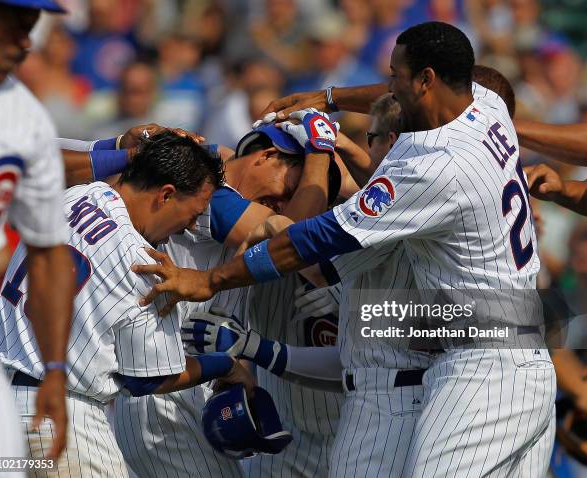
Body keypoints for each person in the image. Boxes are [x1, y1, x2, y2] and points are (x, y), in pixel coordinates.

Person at [134, 22, 556, 477]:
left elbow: (304, 238)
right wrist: (330, 100)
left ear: (427, 80)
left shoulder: (435, 167)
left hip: (474, 369)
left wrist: (211, 281)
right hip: (499, 357)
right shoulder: (487, 108)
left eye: (397, 76)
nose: (390, 86)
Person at [0, 132, 255, 475]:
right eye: (192, 214)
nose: (189, 226)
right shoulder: (141, 260)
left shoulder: (73, 196)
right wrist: (226, 366)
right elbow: (148, 380)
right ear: (166, 195)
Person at [0, 0, 76, 467]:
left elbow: (49, 254)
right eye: (14, 25)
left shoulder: (25, 119)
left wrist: (55, 372)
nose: (26, 42)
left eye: (32, 28)